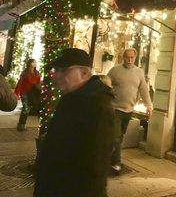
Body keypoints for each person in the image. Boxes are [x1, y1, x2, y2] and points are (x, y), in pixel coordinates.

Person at [34, 48, 115, 197]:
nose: (56, 75)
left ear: (84, 73)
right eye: (55, 70)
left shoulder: (97, 107)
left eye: (63, 70)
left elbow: (94, 170)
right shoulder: (71, 98)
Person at [107, 48, 153, 174]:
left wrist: (148, 104)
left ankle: (110, 158)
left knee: (120, 137)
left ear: (135, 57)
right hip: (115, 108)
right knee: (116, 137)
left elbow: (143, 89)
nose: (130, 60)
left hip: (129, 110)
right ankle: (116, 163)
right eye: (127, 57)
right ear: (123, 57)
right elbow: (106, 85)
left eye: (132, 57)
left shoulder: (139, 72)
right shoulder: (115, 71)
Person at [14, 58, 41, 130]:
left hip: (32, 93)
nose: (35, 63)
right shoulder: (25, 73)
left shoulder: (37, 73)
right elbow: (20, 83)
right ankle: (21, 125)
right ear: (29, 63)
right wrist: (16, 93)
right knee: (25, 108)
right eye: (33, 62)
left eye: (35, 62)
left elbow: (38, 83)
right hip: (24, 93)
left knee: (27, 109)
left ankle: (22, 124)